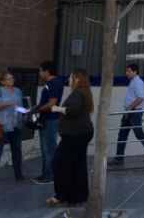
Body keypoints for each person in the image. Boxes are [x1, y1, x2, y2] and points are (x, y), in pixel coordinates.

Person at [47, 68, 94, 207]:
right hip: (82, 132)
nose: (69, 80)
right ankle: (78, 196)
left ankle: (62, 195)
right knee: (77, 164)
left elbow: (74, 110)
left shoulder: (78, 92)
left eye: (71, 77)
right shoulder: (84, 92)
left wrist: (58, 109)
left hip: (75, 134)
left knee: (60, 163)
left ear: (77, 79)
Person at [110, 64, 144, 165]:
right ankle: (119, 158)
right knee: (122, 135)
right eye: (126, 71)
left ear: (135, 71)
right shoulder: (133, 82)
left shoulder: (138, 82)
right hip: (130, 111)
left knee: (138, 133)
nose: (126, 73)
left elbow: (141, 97)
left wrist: (130, 108)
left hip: (134, 112)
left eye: (129, 71)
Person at [0, 71, 25, 183]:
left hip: (15, 125)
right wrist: (8, 103)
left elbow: (19, 106)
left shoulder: (17, 91)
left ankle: (18, 174)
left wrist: (25, 111)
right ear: (2, 82)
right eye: (8, 79)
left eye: (12, 78)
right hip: (1, 125)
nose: (11, 80)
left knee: (17, 150)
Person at [30, 61, 64, 185]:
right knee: (45, 148)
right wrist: (35, 107)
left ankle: (51, 175)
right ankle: (45, 173)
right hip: (45, 119)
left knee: (49, 148)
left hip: (51, 119)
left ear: (47, 71)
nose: (39, 73)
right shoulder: (49, 84)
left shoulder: (55, 83)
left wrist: (38, 110)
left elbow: (52, 103)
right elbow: (45, 102)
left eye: (41, 70)